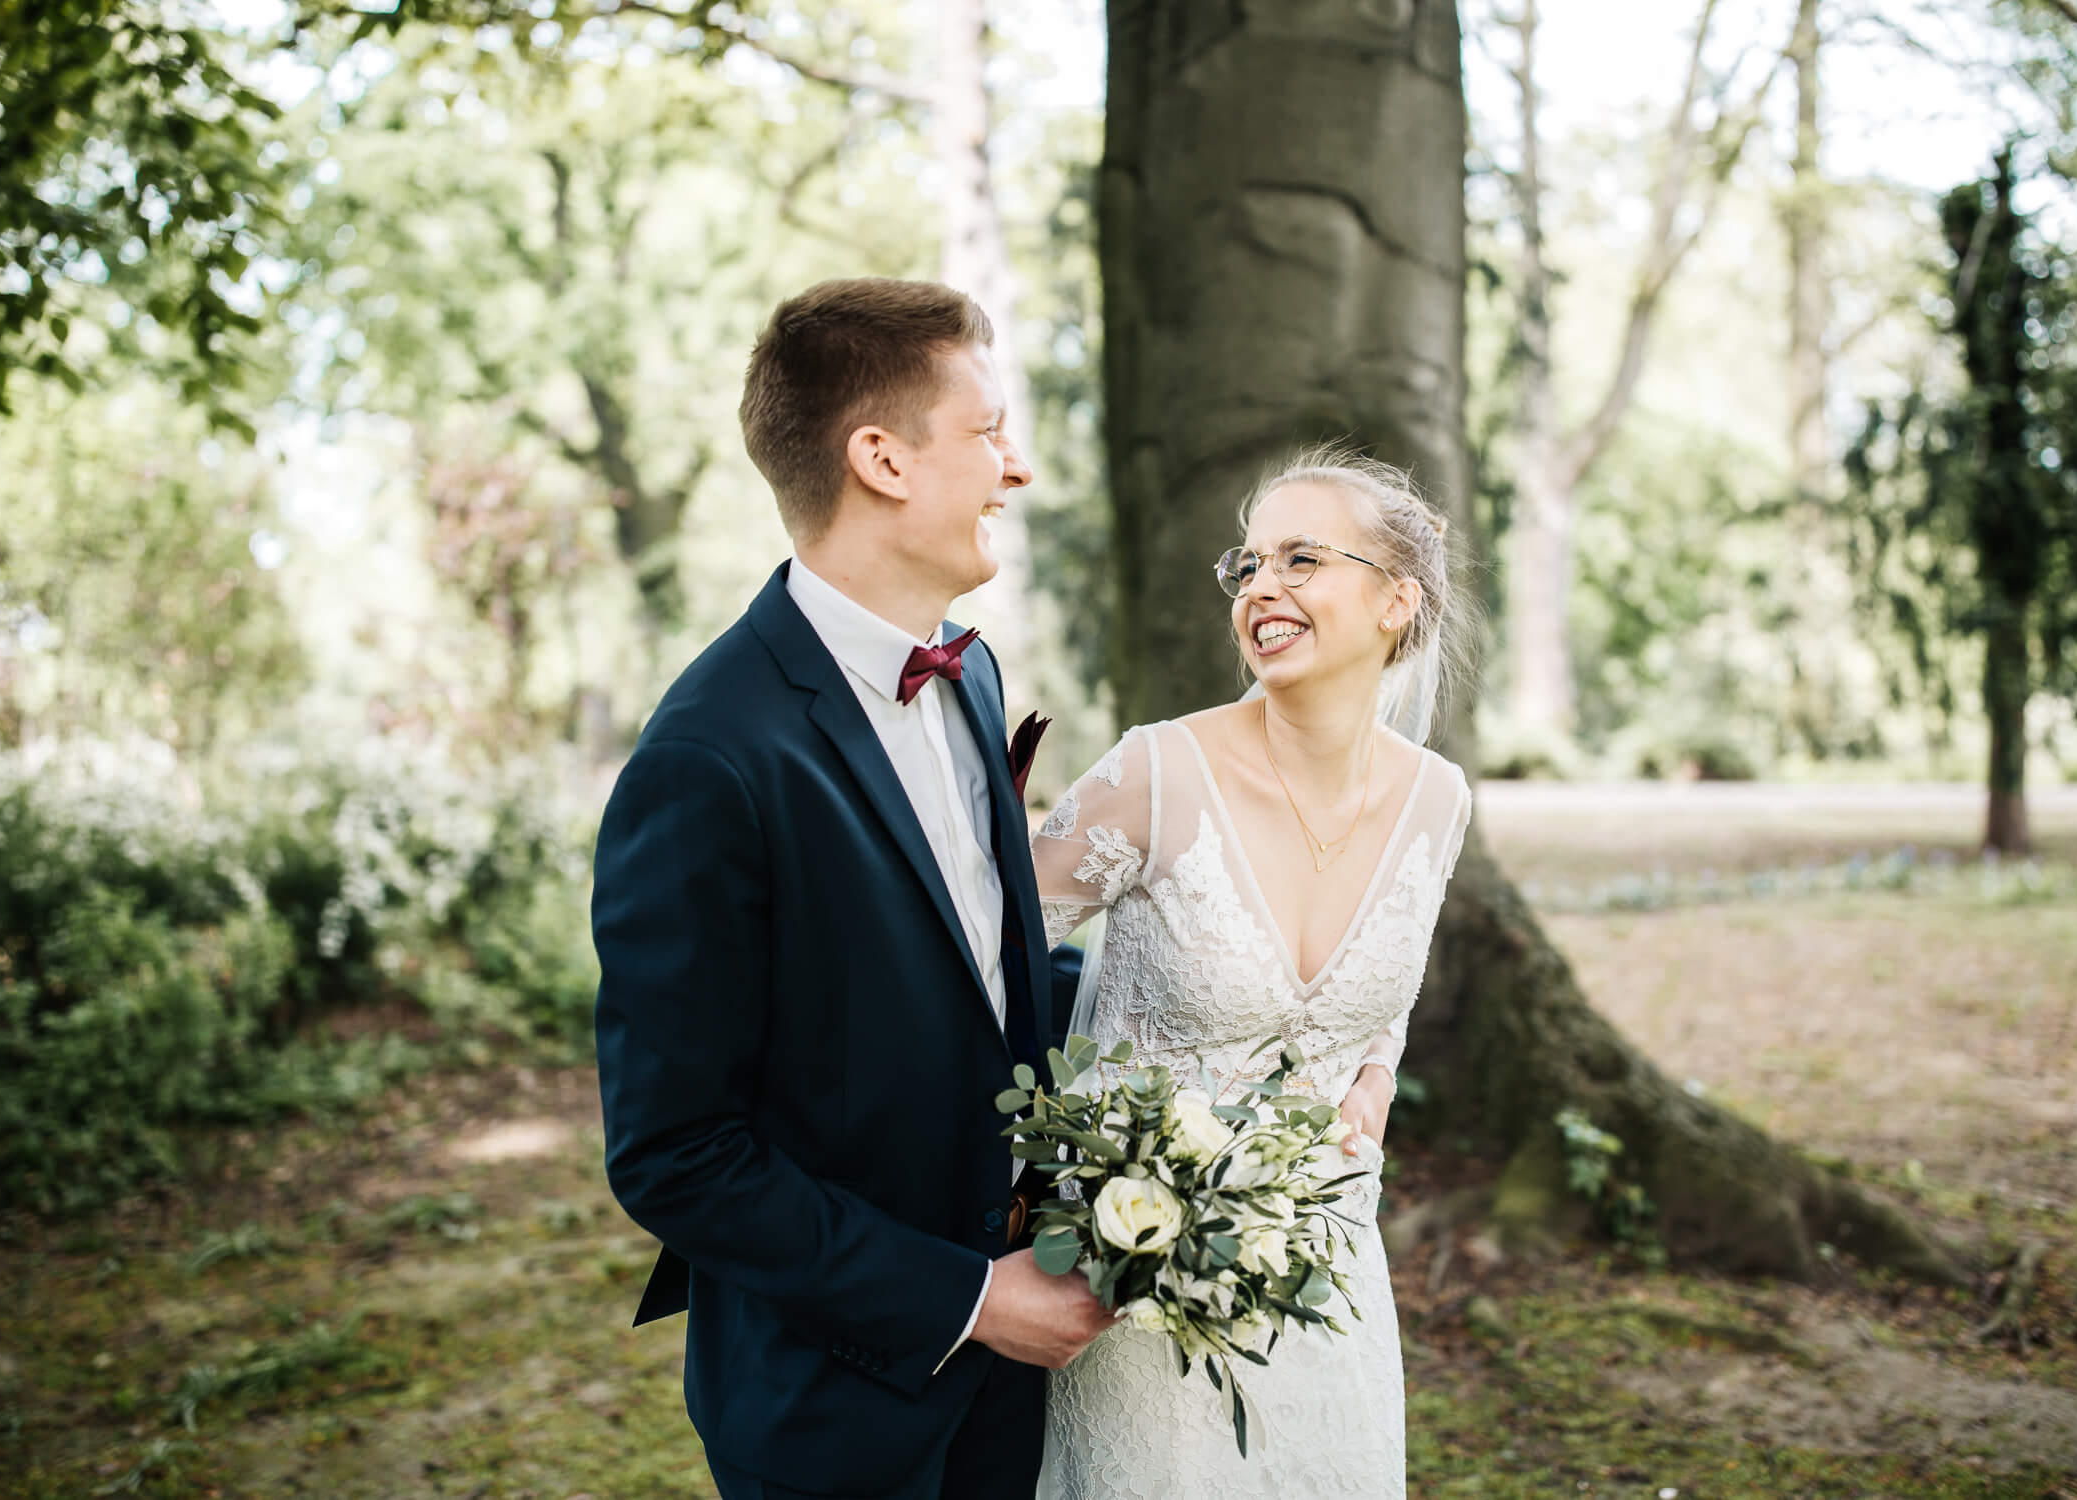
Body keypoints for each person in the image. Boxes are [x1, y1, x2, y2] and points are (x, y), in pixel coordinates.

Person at [591, 277, 1113, 1500]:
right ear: (881, 459)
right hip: (833, 1409)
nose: (1016, 468)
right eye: (988, 432)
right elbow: (676, 1154)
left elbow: (977, 977)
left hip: (1016, 1385)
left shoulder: (972, 677)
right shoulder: (709, 760)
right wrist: (970, 1300)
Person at [1032, 449, 1476, 1498]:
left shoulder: (1438, 799)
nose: (1260, 587)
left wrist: (1374, 1076)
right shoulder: (1154, 773)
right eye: (1249, 565)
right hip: (1135, 1299)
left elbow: (1383, 996)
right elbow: (970, 957)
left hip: (1328, 1280)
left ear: (1396, 601)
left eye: (1301, 559)